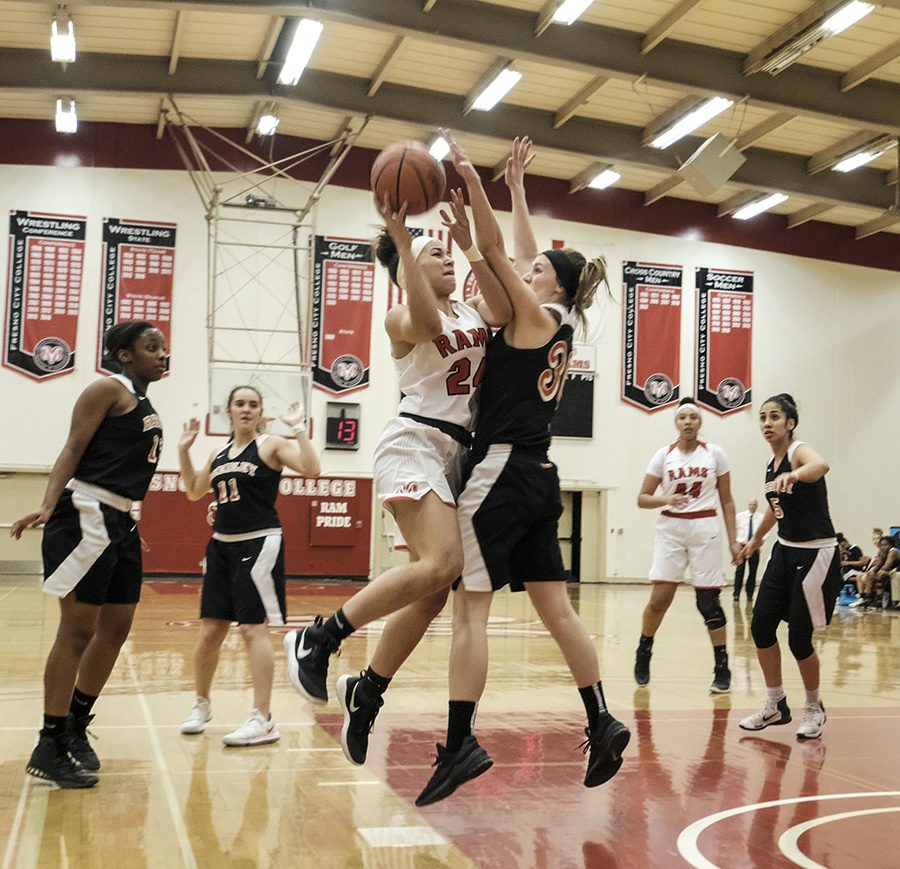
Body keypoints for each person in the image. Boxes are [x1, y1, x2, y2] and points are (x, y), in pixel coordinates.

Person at [412, 131, 630, 807]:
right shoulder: (556, 318)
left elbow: (502, 255)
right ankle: (601, 718)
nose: (528, 271)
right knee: (557, 609)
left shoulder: (532, 314)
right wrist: (516, 189)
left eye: (539, 272)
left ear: (551, 286)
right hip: (539, 475)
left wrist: (473, 182)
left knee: (469, 608)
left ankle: (459, 743)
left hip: (501, 470)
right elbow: (526, 255)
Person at [283, 190, 510, 715]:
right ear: (408, 269)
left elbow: (501, 307)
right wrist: (406, 246)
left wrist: (470, 247)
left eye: (444, 253)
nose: (445, 257)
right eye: (437, 254)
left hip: (455, 452)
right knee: (442, 562)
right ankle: (320, 636)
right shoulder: (398, 319)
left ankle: (368, 687)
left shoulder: (471, 311)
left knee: (433, 588)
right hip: (412, 442)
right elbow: (428, 326)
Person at [10, 321, 167, 788]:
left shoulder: (142, 399)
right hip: (85, 513)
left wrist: (127, 526)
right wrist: (46, 503)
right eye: (151, 347)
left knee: (116, 628)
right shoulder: (106, 390)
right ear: (123, 355)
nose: (162, 354)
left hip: (119, 520)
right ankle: (49, 741)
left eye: (162, 347)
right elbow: (72, 449)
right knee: (77, 630)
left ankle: (76, 724)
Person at [177, 387, 319, 745]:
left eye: (253, 404)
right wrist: (183, 450)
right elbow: (194, 491)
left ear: (260, 412)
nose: (246, 409)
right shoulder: (219, 453)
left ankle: (263, 718)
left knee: (253, 630)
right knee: (210, 631)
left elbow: (313, 469)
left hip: (259, 544)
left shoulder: (271, 445)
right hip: (220, 547)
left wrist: (298, 427)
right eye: (240, 404)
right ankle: (201, 703)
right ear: (228, 411)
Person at [738, 393, 842, 740]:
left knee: (799, 639)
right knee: (762, 628)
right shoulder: (771, 465)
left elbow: (821, 466)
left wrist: (795, 475)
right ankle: (775, 704)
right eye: (763, 418)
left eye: (775, 417)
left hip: (816, 554)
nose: (767, 423)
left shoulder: (799, 451)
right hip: (784, 552)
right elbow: (774, 507)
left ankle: (814, 707)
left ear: (790, 423)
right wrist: (756, 540)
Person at [633, 398, 740, 692]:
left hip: (705, 526)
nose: (688, 422)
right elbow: (642, 498)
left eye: (693, 417)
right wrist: (666, 498)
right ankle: (644, 650)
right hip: (671, 527)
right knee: (659, 600)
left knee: (708, 603)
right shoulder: (663, 455)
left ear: (700, 422)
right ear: (676, 423)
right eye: (683, 418)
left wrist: (734, 541)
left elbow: (727, 500)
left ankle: (722, 665)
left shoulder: (714, 454)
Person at [733, 498, 764, 602]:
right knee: (739, 570)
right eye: (751, 504)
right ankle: (736, 594)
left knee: (753, 571)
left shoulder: (761, 518)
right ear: (748, 505)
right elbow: (735, 530)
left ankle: (750, 594)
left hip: (755, 547)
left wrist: (759, 544)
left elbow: (765, 533)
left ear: (757, 506)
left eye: (754, 505)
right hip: (742, 545)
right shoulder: (740, 517)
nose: (752, 506)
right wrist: (736, 543)